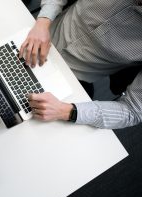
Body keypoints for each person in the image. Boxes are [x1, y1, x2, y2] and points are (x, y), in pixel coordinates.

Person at [19, 0, 142, 129]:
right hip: (39, 32)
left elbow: (133, 110)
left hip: (71, 80)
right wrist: (43, 22)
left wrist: (66, 111)